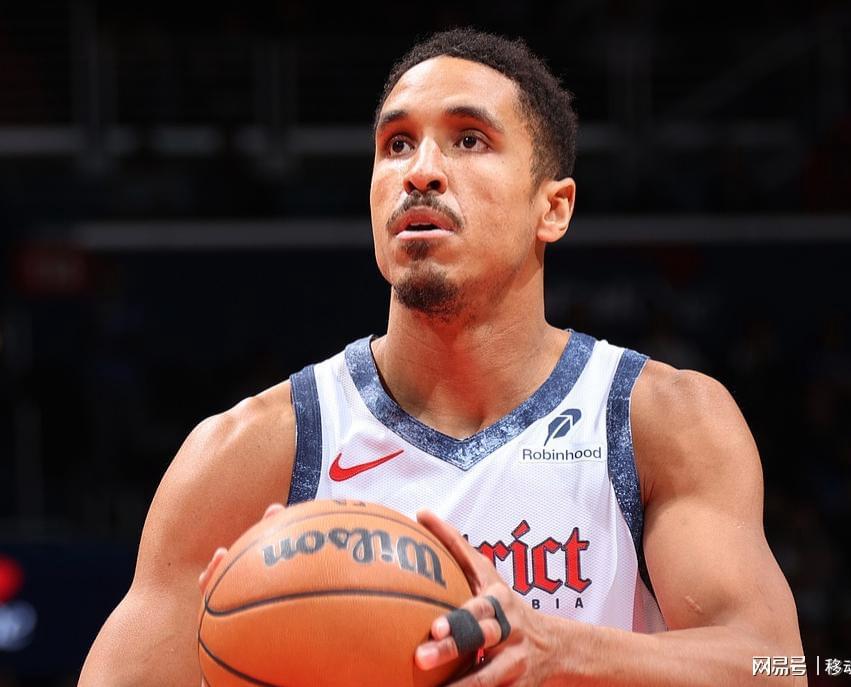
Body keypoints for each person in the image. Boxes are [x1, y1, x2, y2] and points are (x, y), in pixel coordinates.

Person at [79, 28, 805, 686]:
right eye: (397, 144)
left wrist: (564, 650)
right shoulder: (251, 451)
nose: (420, 170)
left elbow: (777, 666)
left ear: (553, 207)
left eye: (469, 140)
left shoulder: (659, 418)